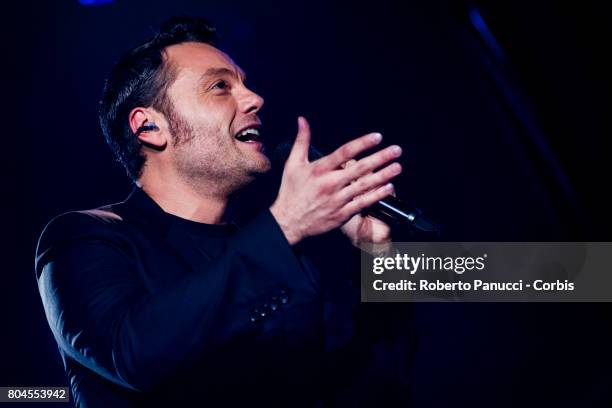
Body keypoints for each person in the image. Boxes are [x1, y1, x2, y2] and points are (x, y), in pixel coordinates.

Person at [35, 16, 408, 407]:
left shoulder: (285, 260)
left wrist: (376, 255)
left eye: (244, 84)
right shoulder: (84, 237)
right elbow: (132, 354)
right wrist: (285, 226)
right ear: (149, 127)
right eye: (220, 87)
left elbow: (370, 384)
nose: (254, 99)